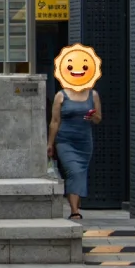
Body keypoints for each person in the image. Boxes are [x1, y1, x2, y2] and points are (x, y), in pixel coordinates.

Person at [47, 79, 101, 221]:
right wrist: (50, 143)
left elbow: (98, 118)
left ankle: (75, 201)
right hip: (65, 140)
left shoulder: (93, 95)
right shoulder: (61, 95)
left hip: (84, 142)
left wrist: (93, 117)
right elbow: (55, 121)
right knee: (74, 171)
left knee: (80, 173)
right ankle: (74, 211)